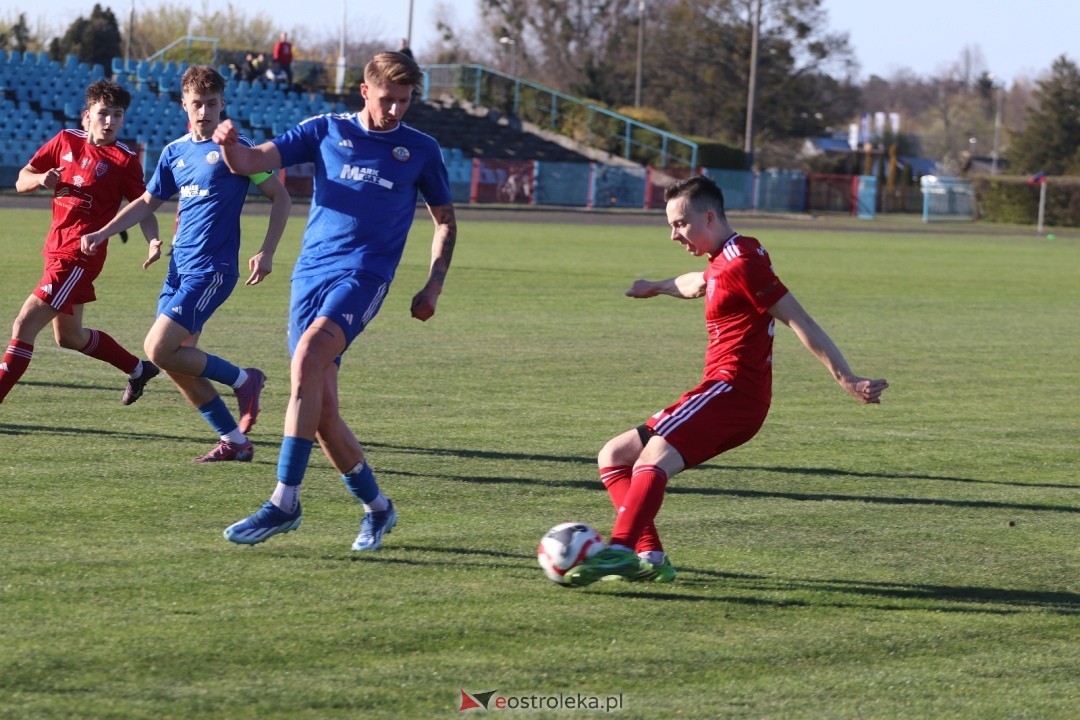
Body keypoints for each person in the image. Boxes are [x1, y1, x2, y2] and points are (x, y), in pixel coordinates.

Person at [565, 175, 889, 586]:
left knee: (652, 460)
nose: (673, 235)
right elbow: (699, 283)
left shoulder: (743, 262)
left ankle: (620, 551)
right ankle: (650, 557)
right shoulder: (725, 258)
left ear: (710, 216)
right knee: (613, 455)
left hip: (733, 391)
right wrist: (657, 287)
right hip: (719, 391)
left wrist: (847, 378)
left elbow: (797, 318)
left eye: (680, 224)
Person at [211, 51, 456, 549]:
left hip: (364, 277)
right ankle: (378, 507)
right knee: (320, 413)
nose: (395, 111)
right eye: (387, 99)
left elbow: (446, 221)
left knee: (307, 359)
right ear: (364, 91)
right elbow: (253, 162)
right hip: (310, 277)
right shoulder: (326, 129)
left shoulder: (421, 149)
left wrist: (433, 284)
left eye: (405, 101)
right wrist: (230, 144)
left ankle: (284, 501)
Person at [82, 65, 292, 463]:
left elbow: (281, 198)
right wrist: (101, 233)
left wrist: (267, 251)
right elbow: (146, 202)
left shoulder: (237, 150)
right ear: (184, 105)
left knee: (156, 348)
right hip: (179, 269)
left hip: (212, 269)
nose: (204, 112)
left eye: (212, 104)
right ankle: (235, 442)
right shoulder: (174, 153)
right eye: (197, 104)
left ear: (222, 104)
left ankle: (246, 380)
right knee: (178, 364)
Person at [1, 80, 161, 406]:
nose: (110, 121)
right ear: (87, 116)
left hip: (80, 255)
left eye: (117, 115)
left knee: (24, 323)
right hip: (54, 248)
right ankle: (138, 369)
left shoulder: (124, 160)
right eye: (104, 113)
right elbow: (21, 178)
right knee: (70, 337)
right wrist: (40, 180)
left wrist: (153, 239)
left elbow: (143, 205)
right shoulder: (64, 141)